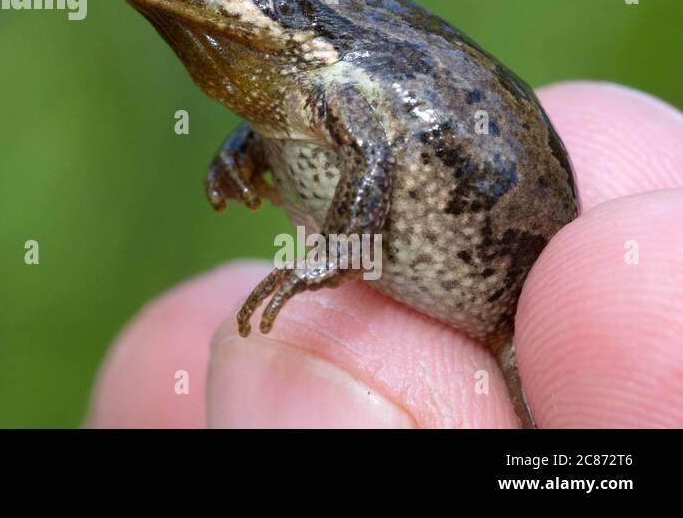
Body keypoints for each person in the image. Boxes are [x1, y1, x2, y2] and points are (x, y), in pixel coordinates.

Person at [86, 82, 683, 428]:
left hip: (520, 292)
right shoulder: (283, 95)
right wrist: (239, 151)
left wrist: (338, 253)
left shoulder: (333, 81)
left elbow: (373, 150)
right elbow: (277, 120)